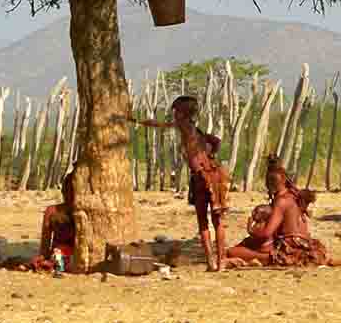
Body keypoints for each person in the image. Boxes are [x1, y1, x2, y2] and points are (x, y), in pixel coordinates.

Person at [130, 95, 229, 271]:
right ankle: (221, 263)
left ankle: (211, 262)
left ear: (183, 113)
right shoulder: (197, 131)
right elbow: (217, 141)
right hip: (215, 174)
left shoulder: (184, 126)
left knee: (203, 221)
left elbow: (158, 125)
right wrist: (211, 153)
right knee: (217, 221)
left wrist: (136, 120)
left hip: (201, 177)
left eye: (176, 111)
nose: (174, 115)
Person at [225, 157, 329, 268]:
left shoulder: (281, 201)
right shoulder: (295, 196)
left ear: (268, 184)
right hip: (304, 244)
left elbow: (266, 233)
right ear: (285, 180)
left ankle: (264, 260)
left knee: (232, 252)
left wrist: (250, 229)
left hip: (288, 250)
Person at [39, 169, 76, 277]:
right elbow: (45, 245)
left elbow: (45, 247)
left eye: (71, 190)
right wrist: (42, 258)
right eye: (66, 189)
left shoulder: (83, 213)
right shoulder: (52, 211)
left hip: (74, 256)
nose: (68, 193)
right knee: (58, 256)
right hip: (59, 254)